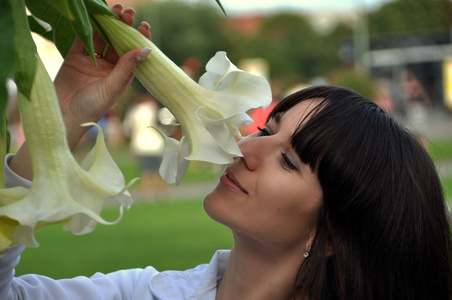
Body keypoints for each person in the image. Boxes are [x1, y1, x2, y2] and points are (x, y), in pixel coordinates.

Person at [1, 5, 452, 300]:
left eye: (289, 160)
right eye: (266, 130)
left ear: (331, 235)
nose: (247, 147)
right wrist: (56, 126)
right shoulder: (141, 292)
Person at [123, 94, 167, 199]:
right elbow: (162, 124)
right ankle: (160, 192)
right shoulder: (153, 108)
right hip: (155, 144)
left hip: (140, 145)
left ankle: (145, 193)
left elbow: (127, 128)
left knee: (145, 171)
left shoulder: (134, 111)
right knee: (156, 170)